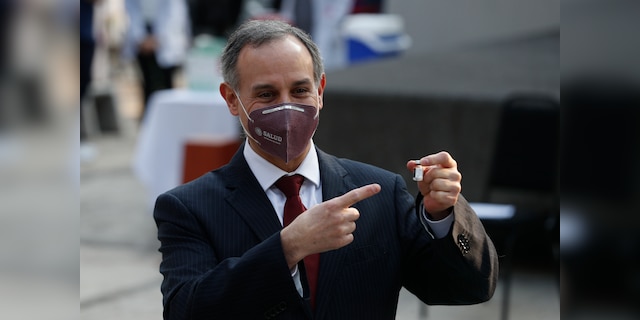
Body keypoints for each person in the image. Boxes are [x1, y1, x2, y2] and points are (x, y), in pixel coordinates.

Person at [153, 19, 498, 319]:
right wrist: (287, 248)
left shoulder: (379, 192)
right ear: (231, 99)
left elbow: (470, 288)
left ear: (320, 91)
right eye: (267, 95)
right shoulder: (190, 207)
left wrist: (444, 217)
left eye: (300, 89)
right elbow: (186, 309)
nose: (286, 106)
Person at [122, 0, 190, 122]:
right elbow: (130, 10)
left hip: (166, 39)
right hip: (142, 38)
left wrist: (159, 38)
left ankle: (169, 121)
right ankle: (149, 123)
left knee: (166, 86)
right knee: (147, 85)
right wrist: (140, 37)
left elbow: (173, 13)